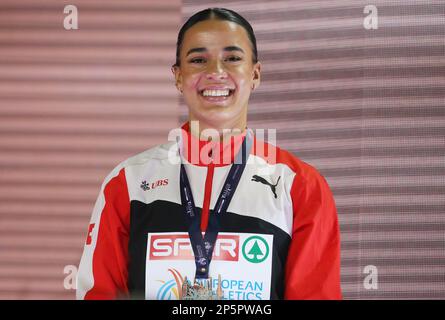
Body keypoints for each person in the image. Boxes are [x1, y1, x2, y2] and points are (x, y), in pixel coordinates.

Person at [76, 7, 342, 300]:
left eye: (232, 58)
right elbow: (99, 293)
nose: (216, 72)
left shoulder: (300, 185)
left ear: (255, 74)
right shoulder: (128, 182)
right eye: (198, 60)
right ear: (178, 77)